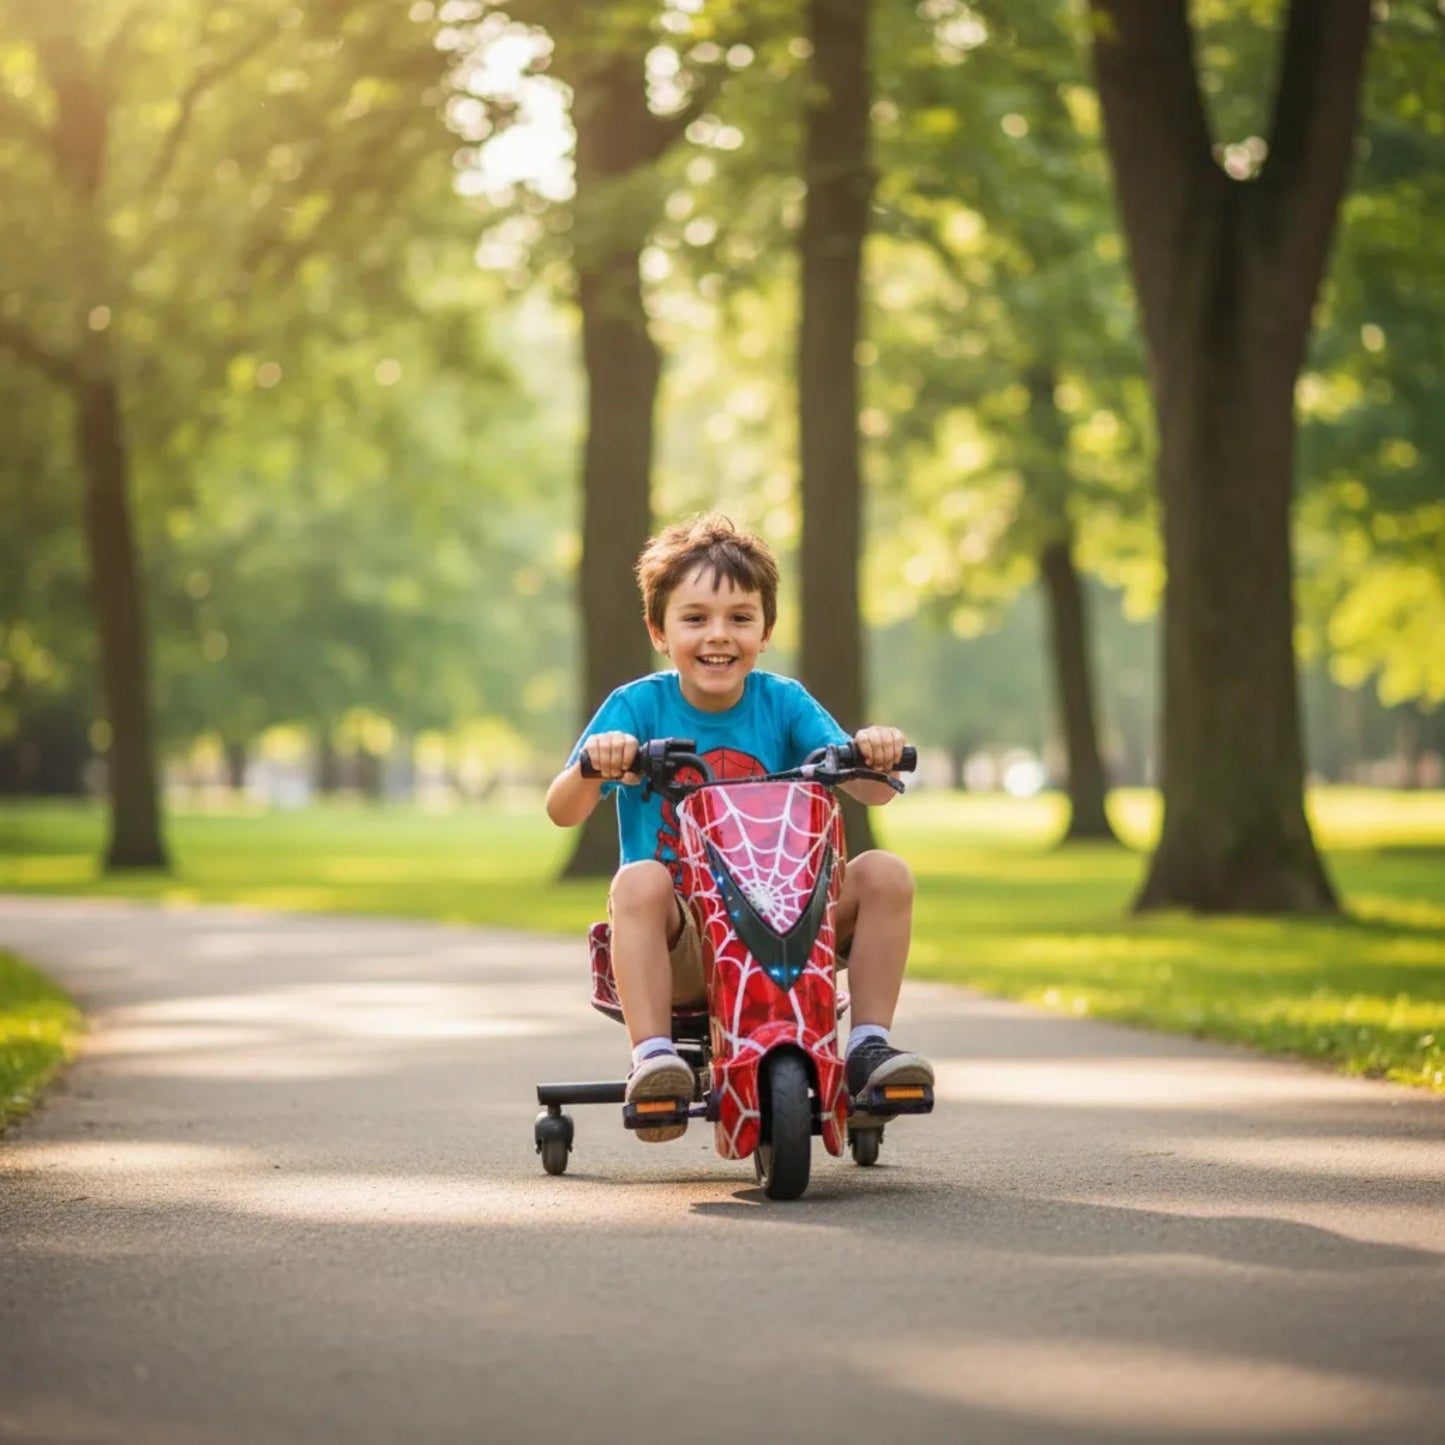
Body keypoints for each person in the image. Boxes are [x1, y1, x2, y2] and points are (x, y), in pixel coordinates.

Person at [545, 513, 933, 1142]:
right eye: (695, 618)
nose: (718, 635)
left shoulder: (784, 702)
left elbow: (871, 791)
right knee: (639, 881)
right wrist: (595, 764)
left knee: (885, 873)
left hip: (788, 920)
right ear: (659, 631)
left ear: (766, 630)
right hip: (686, 944)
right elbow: (563, 809)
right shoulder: (637, 706)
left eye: (740, 618)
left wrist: (873, 752)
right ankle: (656, 1061)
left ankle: (867, 1046)